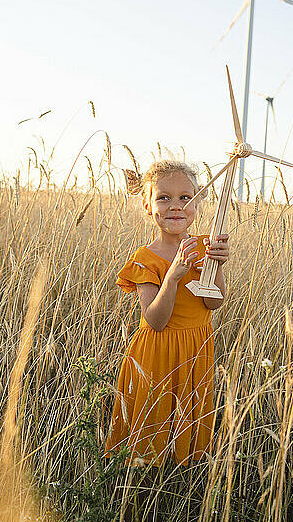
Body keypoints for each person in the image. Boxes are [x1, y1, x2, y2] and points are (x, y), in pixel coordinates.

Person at [104, 160, 229, 474]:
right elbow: (155, 321)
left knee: (186, 417)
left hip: (196, 349)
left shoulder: (204, 246)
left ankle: (179, 484)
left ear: (198, 203)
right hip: (158, 353)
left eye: (186, 197)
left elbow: (214, 303)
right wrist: (172, 277)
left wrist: (215, 268)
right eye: (163, 198)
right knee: (154, 419)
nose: (176, 206)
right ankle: (143, 486)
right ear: (147, 205)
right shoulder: (145, 259)